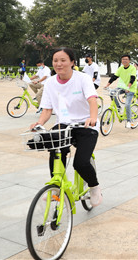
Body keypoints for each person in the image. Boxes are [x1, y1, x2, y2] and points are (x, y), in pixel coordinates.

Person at [30, 47, 102, 207]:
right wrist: (39, 123)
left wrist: (93, 118)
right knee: (54, 148)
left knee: (81, 163)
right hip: (64, 124)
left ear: (72, 62)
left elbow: (92, 100)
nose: (59, 64)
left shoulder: (82, 78)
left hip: (85, 124)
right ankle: (56, 186)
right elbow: (47, 110)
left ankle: (94, 187)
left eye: (63, 60)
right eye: (56, 60)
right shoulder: (49, 83)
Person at [104, 54, 137, 128]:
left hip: (130, 88)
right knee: (112, 92)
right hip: (121, 87)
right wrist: (107, 85)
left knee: (127, 105)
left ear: (129, 60)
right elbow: (114, 77)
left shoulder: (132, 68)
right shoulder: (120, 68)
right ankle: (118, 107)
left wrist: (128, 87)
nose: (124, 60)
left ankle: (129, 121)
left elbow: (132, 78)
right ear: (121, 61)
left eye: (126, 59)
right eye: (123, 59)